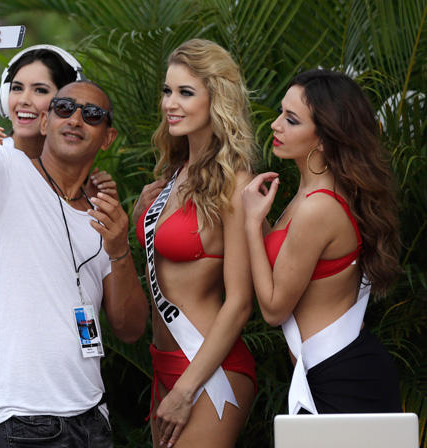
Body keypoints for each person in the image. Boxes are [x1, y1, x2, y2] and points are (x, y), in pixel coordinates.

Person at [0, 21, 149, 448]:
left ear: (108, 137)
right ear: (45, 122)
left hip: (91, 419)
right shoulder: (5, 169)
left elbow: (131, 328)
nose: (75, 119)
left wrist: (120, 250)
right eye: (63, 108)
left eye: (92, 115)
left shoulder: (104, 213)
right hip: (17, 419)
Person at [241, 69, 402, 415]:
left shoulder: (318, 207)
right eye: (281, 113)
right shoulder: (314, 194)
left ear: (325, 139)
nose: (275, 125)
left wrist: (253, 224)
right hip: (328, 371)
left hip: (344, 377)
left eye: (291, 120)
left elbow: (273, 309)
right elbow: (284, 264)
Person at [133, 39, 257, 448]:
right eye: (167, 91)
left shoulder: (235, 183)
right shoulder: (172, 175)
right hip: (164, 364)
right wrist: (138, 216)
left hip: (208, 369)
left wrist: (187, 388)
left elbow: (240, 302)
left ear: (216, 100)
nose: (170, 103)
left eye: (185, 92)